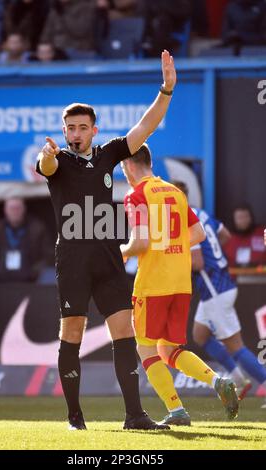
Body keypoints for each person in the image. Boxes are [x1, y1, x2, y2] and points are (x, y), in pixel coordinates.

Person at [36, 50, 176, 431]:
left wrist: (166, 90)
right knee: (73, 332)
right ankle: (75, 418)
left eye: (82, 127)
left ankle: (135, 416)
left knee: (124, 331)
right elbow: (45, 165)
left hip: (109, 257)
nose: (76, 133)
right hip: (73, 259)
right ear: (64, 132)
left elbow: (145, 129)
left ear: (93, 130)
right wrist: (47, 154)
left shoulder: (109, 154)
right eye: (71, 128)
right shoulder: (57, 162)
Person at [119, 148, 239, 426]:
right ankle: (217, 380)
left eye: (123, 166)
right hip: (181, 283)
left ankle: (177, 411)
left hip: (152, 284)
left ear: (129, 165)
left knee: (146, 349)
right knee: (168, 350)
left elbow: (140, 242)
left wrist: (120, 252)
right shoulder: (174, 192)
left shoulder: (136, 195)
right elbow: (197, 234)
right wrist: (170, 246)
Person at [173, 181, 266, 403]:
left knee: (235, 344)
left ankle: (263, 379)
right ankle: (238, 379)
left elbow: (196, 263)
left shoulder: (184, 218)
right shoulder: (200, 213)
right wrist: (217, 259)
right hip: (220, 284)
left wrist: (172, 258)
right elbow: (224, 235)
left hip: (215, 289)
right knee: (200, 335)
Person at [0, 198, 51, 283]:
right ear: (5, 210)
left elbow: (48, 256)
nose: (15, 212)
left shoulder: (37, 228)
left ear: (24, 209)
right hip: (0, 281)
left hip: (30, 282)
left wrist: (34, 272)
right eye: (12, 208)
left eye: (17, 208)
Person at [223, 203, 266, 268]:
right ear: (233, 219)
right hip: (234, 276)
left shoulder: (262, 233)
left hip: (260, 276)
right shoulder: (226, 238)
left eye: (246, 216)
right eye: (240, 217)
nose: (243, 220)